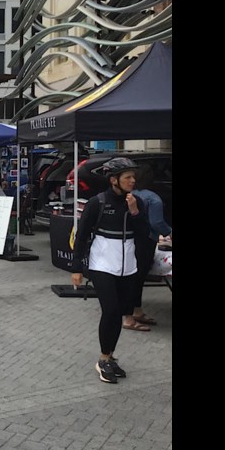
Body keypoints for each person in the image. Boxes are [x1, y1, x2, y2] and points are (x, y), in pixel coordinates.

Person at [70, 157, 151, 384]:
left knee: (121, 312)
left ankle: (111, 355)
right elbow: (82, 234)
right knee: (111, 311)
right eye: (128, 177)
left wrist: (135, 211)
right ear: (114, 180)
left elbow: (145, 234)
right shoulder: (98, 202)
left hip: (127, 266)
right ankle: (104, 359)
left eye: (133, 177)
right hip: (102, 264)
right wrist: (77, 268)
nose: (132, 181)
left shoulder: (137, 202)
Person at [126, 165, 173, 331]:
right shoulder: (154, 198)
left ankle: (136, 311)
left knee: (135, 277)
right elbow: (156, 222)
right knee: (138, 278)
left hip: (130, 240)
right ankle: (130, 315)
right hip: (146, 240)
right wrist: (169, 232)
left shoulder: (130, 195)